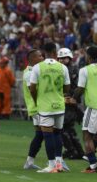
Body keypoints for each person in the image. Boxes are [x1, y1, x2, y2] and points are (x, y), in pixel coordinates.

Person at [30, 42, 70, 173]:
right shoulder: (63, 67)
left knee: (47, 135)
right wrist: (59, 94)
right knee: (58, 134)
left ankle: (52, 165)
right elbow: (67, 87)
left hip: (46, 106)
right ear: (55, 51)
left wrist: (37, 100)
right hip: (59, 105)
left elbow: (32, 88)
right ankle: (59, 163)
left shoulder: (37, 67)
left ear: (44, 52)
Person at [57, 48, 84, 160]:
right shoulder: (60, 69)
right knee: (69, 129)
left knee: (62, 128)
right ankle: (78, 151)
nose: (63, 60)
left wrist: (73, 99)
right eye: (61, 58)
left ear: (70, 58)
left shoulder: (73, 69)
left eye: (65, 58)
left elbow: (78, 87)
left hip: (71, 103)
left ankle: (72, 150)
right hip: (64, 102)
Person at [23, 49, 44, 170]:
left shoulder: (33, 71)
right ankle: (56, 161)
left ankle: (29, 162)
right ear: (32, 59)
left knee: (40, 135)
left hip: (36, 108)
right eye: (40, 56)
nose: (42, 58)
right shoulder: (29, 73)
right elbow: (32, 90)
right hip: (37, 108)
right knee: (49, 133)